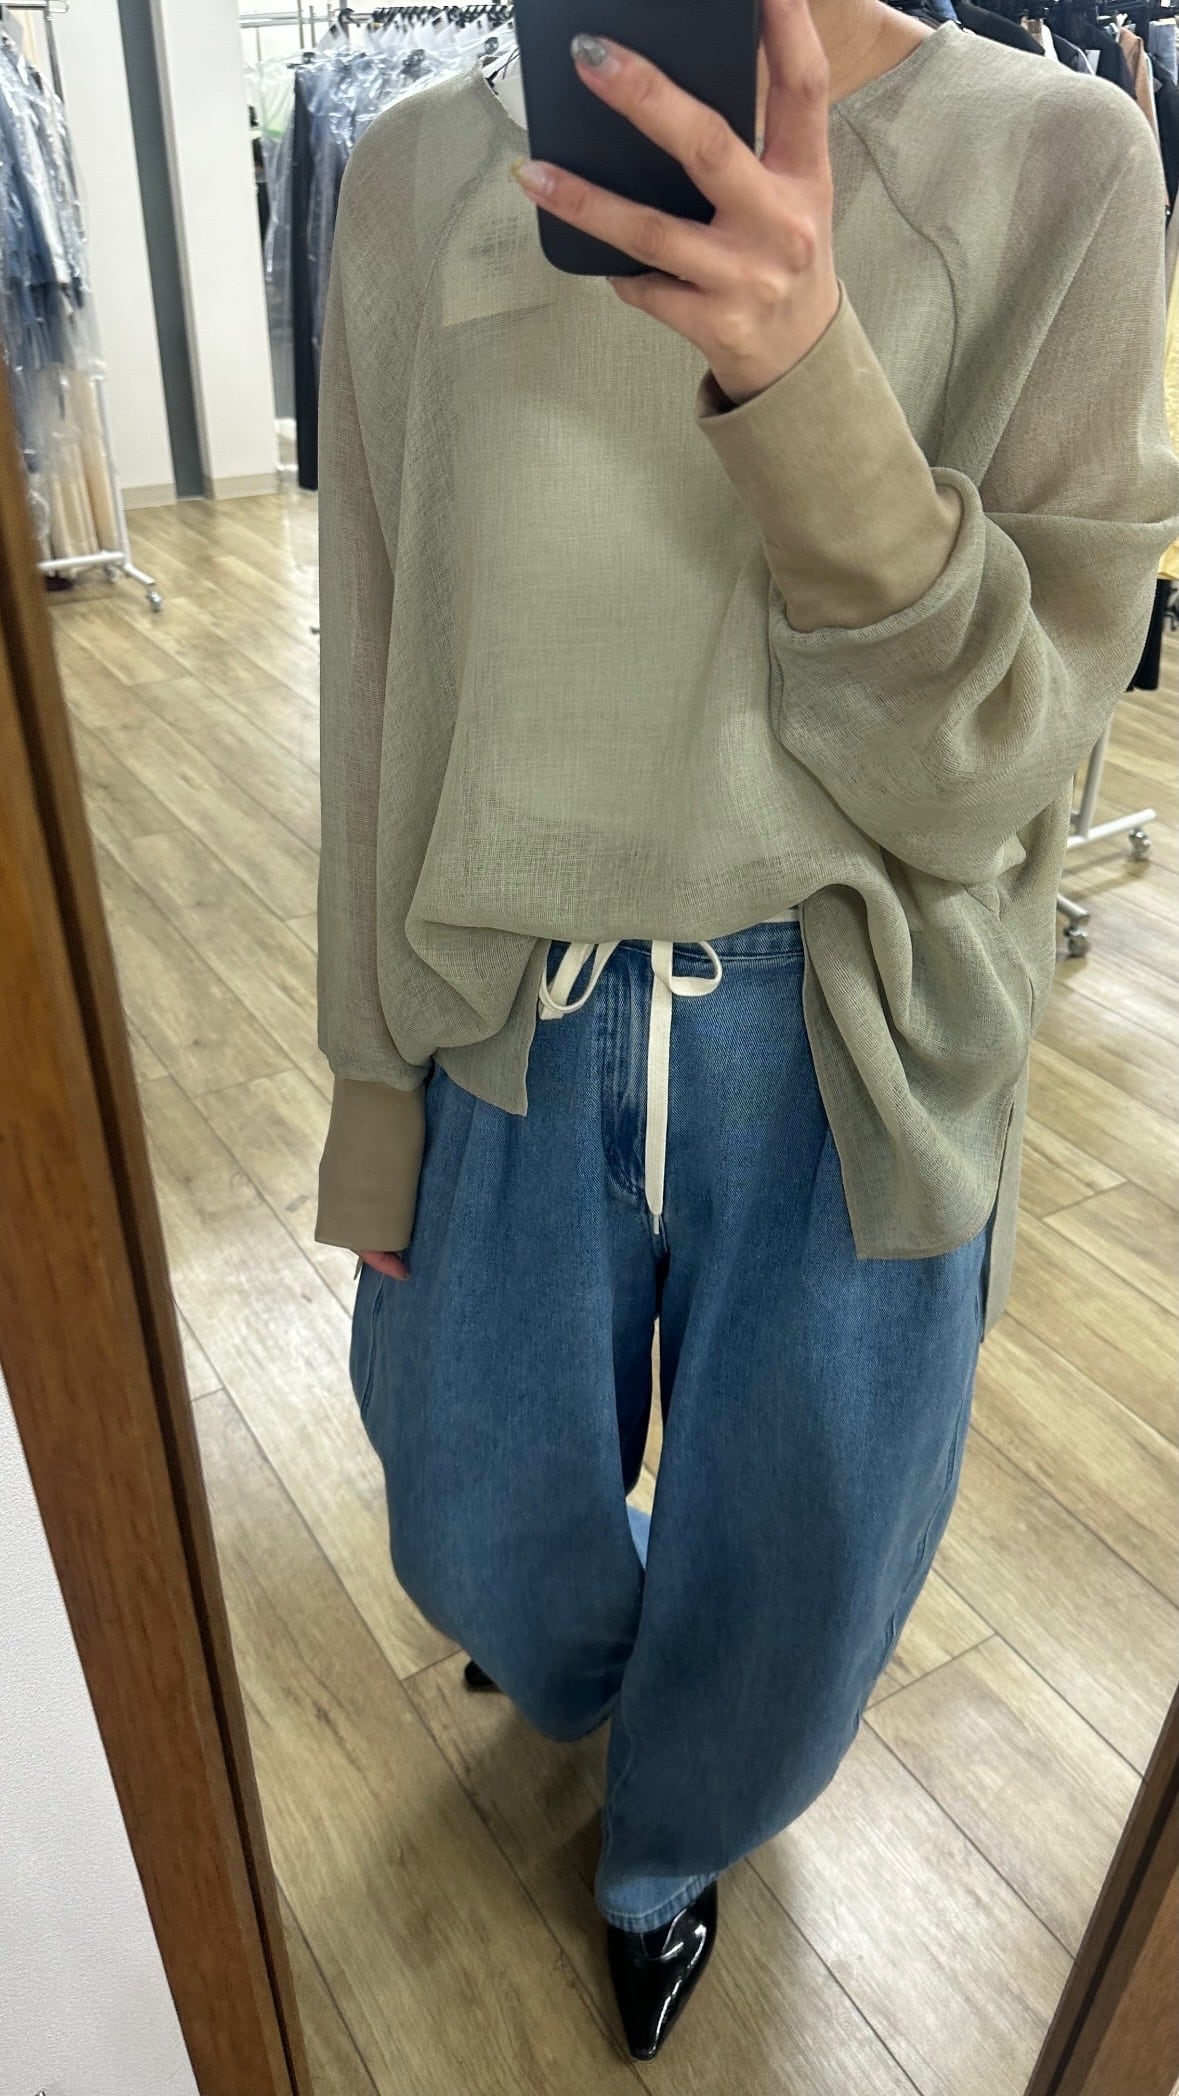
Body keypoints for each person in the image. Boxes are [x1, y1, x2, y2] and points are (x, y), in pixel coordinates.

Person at [314, 0, 1179, 2060]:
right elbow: (375, 648)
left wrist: (805, 382)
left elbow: (1002, 765)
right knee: (471, 1526)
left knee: (798, 1576)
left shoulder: (1057, 161)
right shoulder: (416, 169)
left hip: (849, 1033)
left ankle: (669, 1844)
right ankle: (607, 1667)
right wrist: (366, 1084)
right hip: (503, 999)